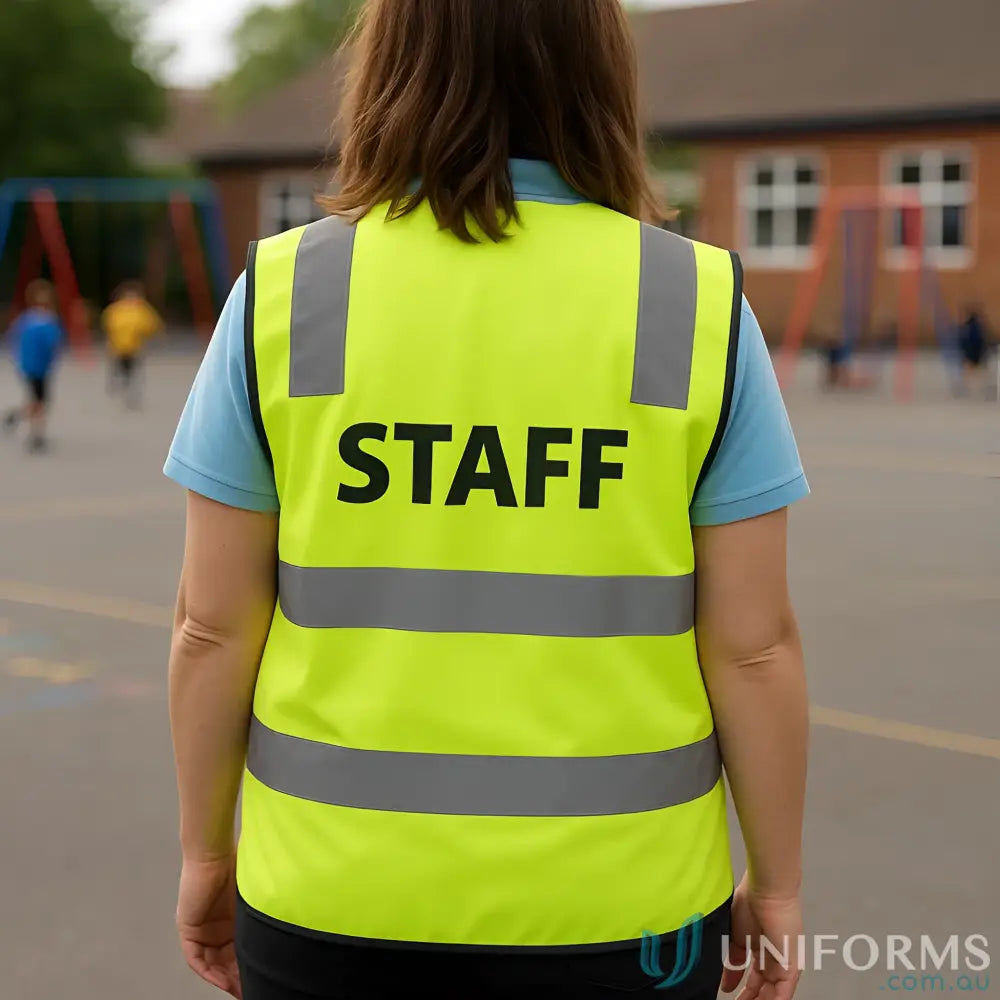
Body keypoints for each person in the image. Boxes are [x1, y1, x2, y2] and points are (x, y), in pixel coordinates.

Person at [164, 2, 810, 998]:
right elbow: (753, 647)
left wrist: (207, 852)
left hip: (332, 897)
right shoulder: (693, 303)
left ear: (387, 65)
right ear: (599, 69)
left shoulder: (287, 294)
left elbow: (212, 628)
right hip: (625, 908)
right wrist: (777, 882)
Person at [2, 279, 64, 452]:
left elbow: (56, 343)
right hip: (30, 367)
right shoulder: (28, 320)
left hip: (44, 367)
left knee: (39, 401)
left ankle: (17, 416)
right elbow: (13, 339)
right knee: (39, 402)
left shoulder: (49, 320)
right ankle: (36, 434)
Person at [102, 280, 162, 408]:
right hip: (118, 347)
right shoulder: (115, 310)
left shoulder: (142, 310)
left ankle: (131, 392)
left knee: (134, 370)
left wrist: (151, 337)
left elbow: (152, 325)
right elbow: (108, 327)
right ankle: (119, 383)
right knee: (119, 368)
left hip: (135, 348)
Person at [956, 305, 991, 397]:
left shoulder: (968, 327)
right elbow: (981, 341)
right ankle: (979, 387)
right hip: (975, 351)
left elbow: (964, 341)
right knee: (975, 370)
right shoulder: (976, 327)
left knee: (970, 369)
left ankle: (968, 387)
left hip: (972, 351)